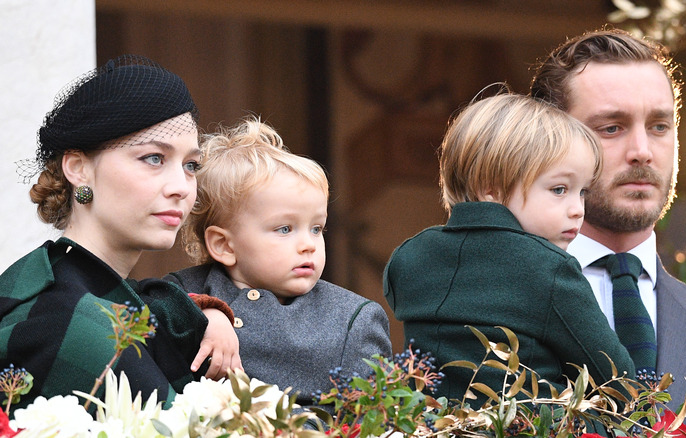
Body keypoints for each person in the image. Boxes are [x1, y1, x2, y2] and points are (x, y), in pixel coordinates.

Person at [530, 28, 686, 430]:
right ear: (545, 144)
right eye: (612, 127)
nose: (643, 150)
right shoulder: (485, 308)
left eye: (660, 126)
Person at [0, 55, 241, 414]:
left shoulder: (70, 287)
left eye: (191, 165)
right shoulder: (69, 320)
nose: (182, 187)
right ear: (78, 168)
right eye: (153, 158)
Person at [383, 91, 635, 404]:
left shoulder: (408, 257)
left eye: (582, 192)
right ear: (491, 190)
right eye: (559, 189)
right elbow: (618, 382)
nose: (577, 210)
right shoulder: (551, 269)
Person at [165, 116, 392, 407]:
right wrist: (205, 310)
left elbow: (373, 420)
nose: (308, 245)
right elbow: (146, 312)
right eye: (284, 229)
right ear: (223, 245)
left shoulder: (353, 320)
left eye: (317, 228)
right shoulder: (183, 291)